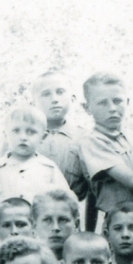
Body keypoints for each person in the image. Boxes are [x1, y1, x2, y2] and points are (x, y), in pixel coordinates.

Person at [77, 73, 133, 219]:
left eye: (117, 101)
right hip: (119, 221)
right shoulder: (92, 142)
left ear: (127, 101)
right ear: (87, 108)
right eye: (102, 103)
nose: (112, 108)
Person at [0, 106, 69, 223]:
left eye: (31, 132)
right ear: (5, 135)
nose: (23, 137)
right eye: (16, 131)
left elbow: (66, 205)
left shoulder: (50, 169)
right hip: (6, 237)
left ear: (43, 137)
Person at [32, 69, 90, 204]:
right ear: (33, 103)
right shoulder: (22, 138)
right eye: (46, 94)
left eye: (60, 92)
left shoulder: (85, 138)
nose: (54, 99)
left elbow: (92, 190)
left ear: (73, 98)